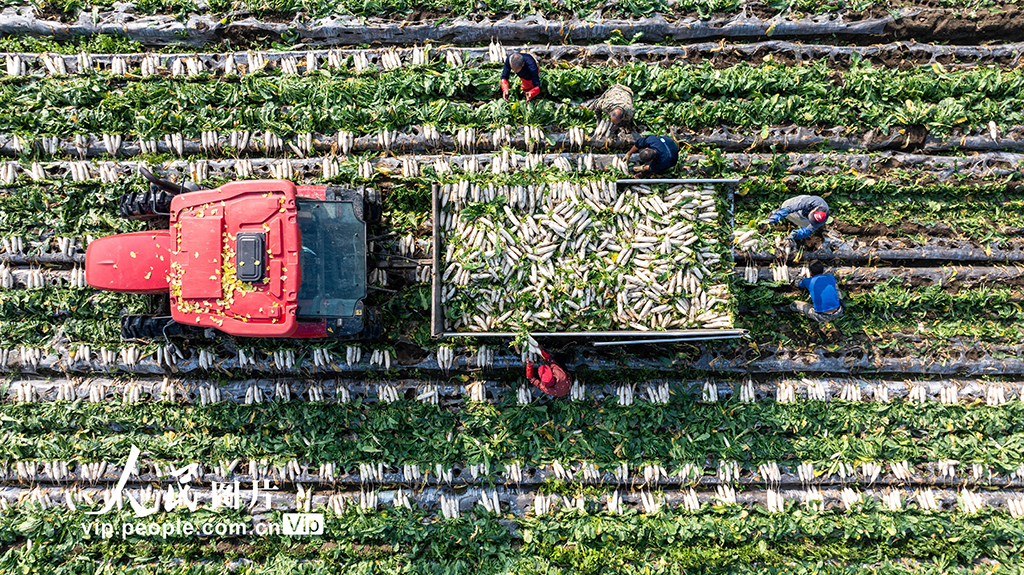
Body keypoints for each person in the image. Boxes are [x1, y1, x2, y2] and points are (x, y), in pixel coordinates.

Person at [761, 195, 830, 240]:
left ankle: (796, 223)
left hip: (803, 215)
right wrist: (775, 217)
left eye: (813, 220)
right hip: (798, 204)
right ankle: (776, 211)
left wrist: (796, 234)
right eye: (811, 216)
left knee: (807, 225)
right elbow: (789, 209)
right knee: (785, 206)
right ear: (815, 209)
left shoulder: (822, 219)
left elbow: (809, 230)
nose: (810, 217)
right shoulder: (809, 202)